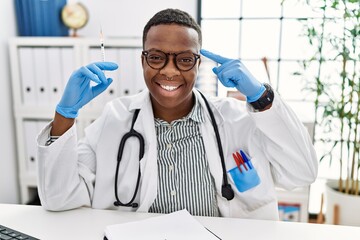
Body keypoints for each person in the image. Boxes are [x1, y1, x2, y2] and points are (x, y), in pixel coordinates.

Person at [37, 8, 318, 220]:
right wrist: (65, 115)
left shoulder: (236, 120)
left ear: (198, 64)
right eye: (157, 57)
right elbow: (59, 198)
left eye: (184, 59)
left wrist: (262, 98)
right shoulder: (116, 119)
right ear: (143, 60)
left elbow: (302, 173)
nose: (170, 71)